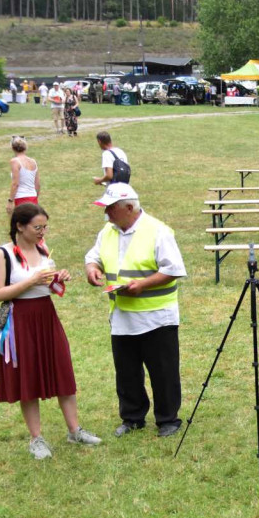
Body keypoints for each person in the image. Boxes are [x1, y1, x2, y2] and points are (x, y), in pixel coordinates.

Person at [0, 203, 103, 459]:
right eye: (37, 227)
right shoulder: (2, 254)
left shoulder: (43, 249)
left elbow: (49, 288)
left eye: (45, 227)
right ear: (20, 226)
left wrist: (57, 279)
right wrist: (31, 281)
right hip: (20, 320)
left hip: (46, 316)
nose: (42, 232)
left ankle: (74, 430)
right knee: (27, 376)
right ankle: (36, 439)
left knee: (62, 368)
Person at [84, 183, 186, 438]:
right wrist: (92, 269)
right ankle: (132, 417)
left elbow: (173, 269)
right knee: (127, 371)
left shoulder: (158, 231)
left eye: (110, 209)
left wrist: (143, 284)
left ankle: (168, 419)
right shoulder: (108, 231)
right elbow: (93, 256)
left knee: (163, 371)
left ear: (129, 207)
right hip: (122, 315)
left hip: (156, 316)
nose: (106, 214)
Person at [8, 136, 40, 213]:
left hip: (21, 197)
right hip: (33, 197)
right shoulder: (33, 162)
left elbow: (15, 184)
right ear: (25, 148)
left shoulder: (15, 161)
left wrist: (10, 200)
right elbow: (37, 184)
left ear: (12, 148)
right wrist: (35, 197)